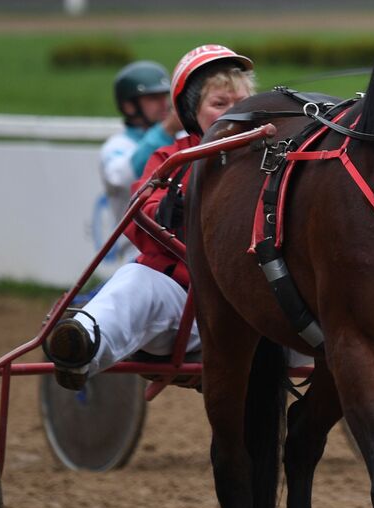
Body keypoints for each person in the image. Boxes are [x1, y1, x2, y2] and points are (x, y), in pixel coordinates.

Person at [45, 45, 255, 390]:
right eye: (220, 104)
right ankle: (84, 342)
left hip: (259, 316)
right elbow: (138, 208)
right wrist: (175, 202)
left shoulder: (273, 156)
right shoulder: (167, 156)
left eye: (242, 102)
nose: (234, 114)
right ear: (191, 111)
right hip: (184, 307)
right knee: (140, 282)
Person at [101, 60, 182, 262]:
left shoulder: (180, 138)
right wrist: (166, 130)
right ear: (129, 106)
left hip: (181, 251)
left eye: (165, 96)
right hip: (137, 255)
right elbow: (120, 177)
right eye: (154, 98)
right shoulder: (116, 145)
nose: (164, 104)